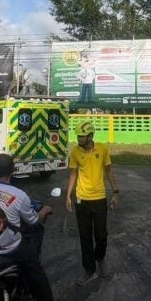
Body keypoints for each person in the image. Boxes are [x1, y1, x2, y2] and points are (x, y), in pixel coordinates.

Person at [0, 153, 66, 301]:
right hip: (11, 249)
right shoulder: (19, 195)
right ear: (13, 171)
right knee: (36, 272)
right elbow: (33, 220)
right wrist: (45, 210)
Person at [66, 121, 119, 286]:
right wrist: (68, 195)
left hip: (99, 199)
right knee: (85, 236)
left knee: (101, 234)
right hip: (82, 200)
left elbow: (109, 171)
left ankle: (100, 258)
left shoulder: (102, 149)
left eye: (82, 136)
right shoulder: (75, 151)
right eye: (78, 136)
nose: (79, 139)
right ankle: (89, 270)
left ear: (90, 136)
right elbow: (73, 174)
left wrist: (116, 192)